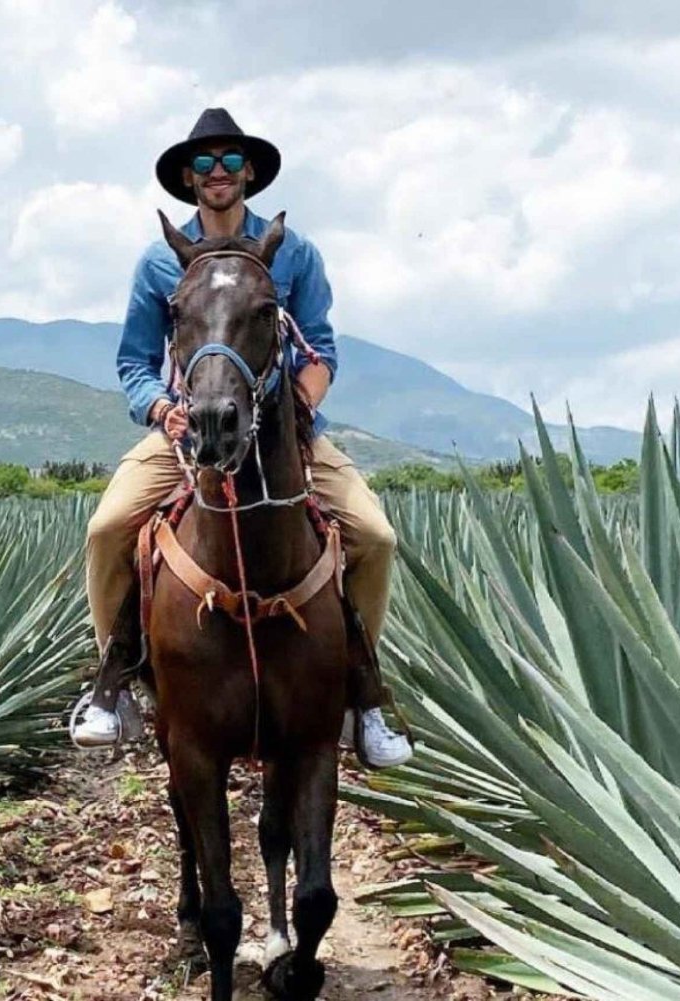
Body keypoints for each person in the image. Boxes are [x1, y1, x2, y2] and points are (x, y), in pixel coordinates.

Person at [70, 107, 412, 769]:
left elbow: (322, 351)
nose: (217, 172)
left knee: (375, 536)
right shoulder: (156, 265)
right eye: (204, 163)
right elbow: (133, 362)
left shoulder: (296, 254)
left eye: (229, 160)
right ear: (189, 180)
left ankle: (361, 694)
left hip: (282, 438)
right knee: (108, 529)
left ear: (250, 172)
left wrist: (296, 412)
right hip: (189, 433)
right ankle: (112, 684)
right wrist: (160, 409)